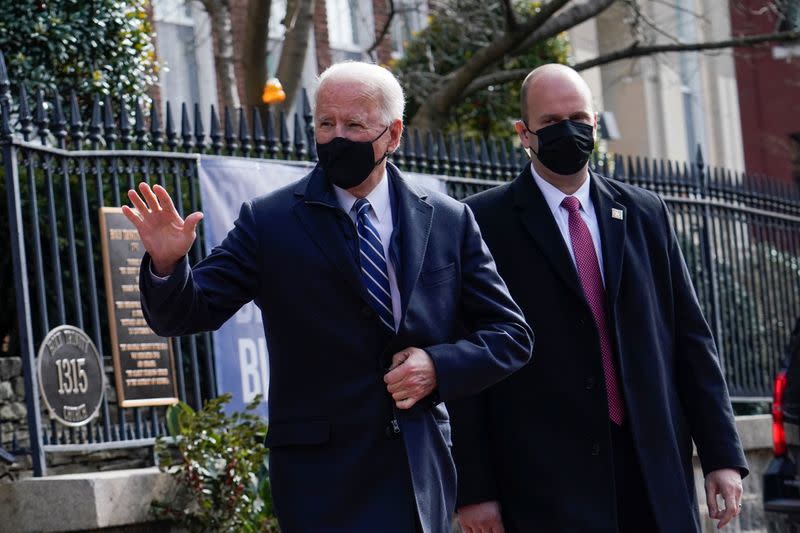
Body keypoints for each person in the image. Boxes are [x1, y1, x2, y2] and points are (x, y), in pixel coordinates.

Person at [121, 61, 532, 533]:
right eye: (324, 123)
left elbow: (510, 335)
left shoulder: (448, 219)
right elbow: (188, 312)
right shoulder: (269, 221)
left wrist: (437, 367)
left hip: (418, 471)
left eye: (354, 125)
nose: (337, 137)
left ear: (393, 134)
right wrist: (169, 266)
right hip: (321, 484)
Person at [449, 63, 748, 533]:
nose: (568, 131)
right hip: (544, 483)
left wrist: (722, 457)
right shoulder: (482, 222)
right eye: (550, 123)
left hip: (653, 469)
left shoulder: (646, 213)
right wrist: (475, 491)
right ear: (524, 133)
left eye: (580, 119)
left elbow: (691, 340)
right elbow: (469, 361)